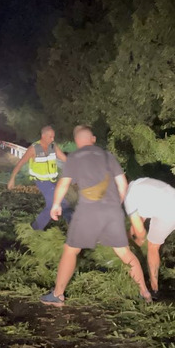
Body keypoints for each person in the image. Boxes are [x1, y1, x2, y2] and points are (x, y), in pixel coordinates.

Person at [40, 125, 150, 306]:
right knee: (124, 252)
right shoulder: (108, 156)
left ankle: (58, 295)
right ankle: (144, 293)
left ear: (77, 142)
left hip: (88, 212)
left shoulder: (75, 158)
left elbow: (63, 184)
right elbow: (123, 185)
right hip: (112, 212)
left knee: (71, 250)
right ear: (93, 139)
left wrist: (56, 205)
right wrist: (116, 205)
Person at [7, 125, 73, 229]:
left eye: (53, 137)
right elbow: (20, 163)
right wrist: (12, 178)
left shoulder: (53, 146)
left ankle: (35, 228)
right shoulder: (34, 148)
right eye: (50, 137)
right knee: (61, 203)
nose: (53, 139)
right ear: (43, 135)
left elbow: (65, 159)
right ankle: (73, 225)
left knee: (54, 204)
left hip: (53, 181)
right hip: (42, 182)